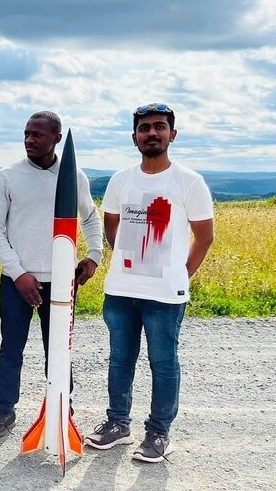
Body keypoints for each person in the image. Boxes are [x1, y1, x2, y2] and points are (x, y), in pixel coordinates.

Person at [85, 103, 214, 463]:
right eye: (145, 128)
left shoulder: (189, 182)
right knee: (120, 360)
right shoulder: (121, 180)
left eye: (159, 127)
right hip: (121, 290)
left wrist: (180, 273)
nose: (152, 133)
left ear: (172, 134)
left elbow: (204, 237)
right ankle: (117, 425)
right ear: (134, 137)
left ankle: (158, 434)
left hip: (165, 294)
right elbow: (112, 224)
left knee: (163, 362)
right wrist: (129, 259)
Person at [0, 111, 104, 438]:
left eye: (37, 134)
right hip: (17, 281)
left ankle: (63, 404)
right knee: (11, 348)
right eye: (26, 134)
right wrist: (17, 272)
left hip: (62, 281)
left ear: (56, 138)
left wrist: (94, 256)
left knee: (59, 349)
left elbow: (90, 218)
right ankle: (4, 410)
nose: (29, 140)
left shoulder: (73, 177)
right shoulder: (7, 176)